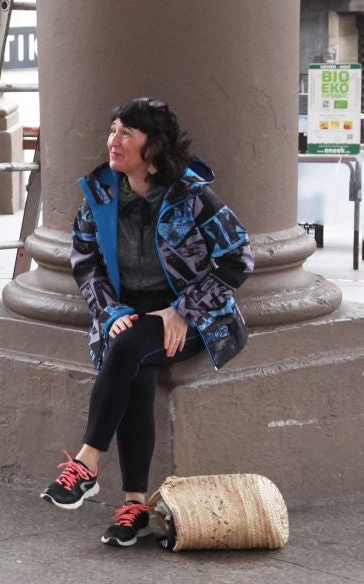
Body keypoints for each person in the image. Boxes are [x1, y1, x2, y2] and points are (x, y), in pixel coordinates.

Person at [40, 97, 254, 547]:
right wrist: (111, 311)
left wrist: (183, 309)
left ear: (152, 148)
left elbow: (238, 257)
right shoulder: (99, 195)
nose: (113, 142)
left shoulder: (191, 196)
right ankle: (135, 504)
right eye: (113, 130)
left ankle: (86, 462)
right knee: (135, 363)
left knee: (128, 349)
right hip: (128, 315)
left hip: (192, 317)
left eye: (126, 134)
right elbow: (85, 262)